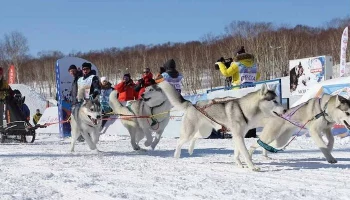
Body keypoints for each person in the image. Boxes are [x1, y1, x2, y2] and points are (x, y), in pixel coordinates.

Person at [215, 46, 259, 138]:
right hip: (251, 91)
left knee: (239, 114)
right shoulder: (254, 64)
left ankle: (241, 133)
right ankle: (251, 133)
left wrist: (220, 64)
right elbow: (257, 76)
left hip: (238, 92)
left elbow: (226, 73)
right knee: (250, 113)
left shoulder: (236, 64)